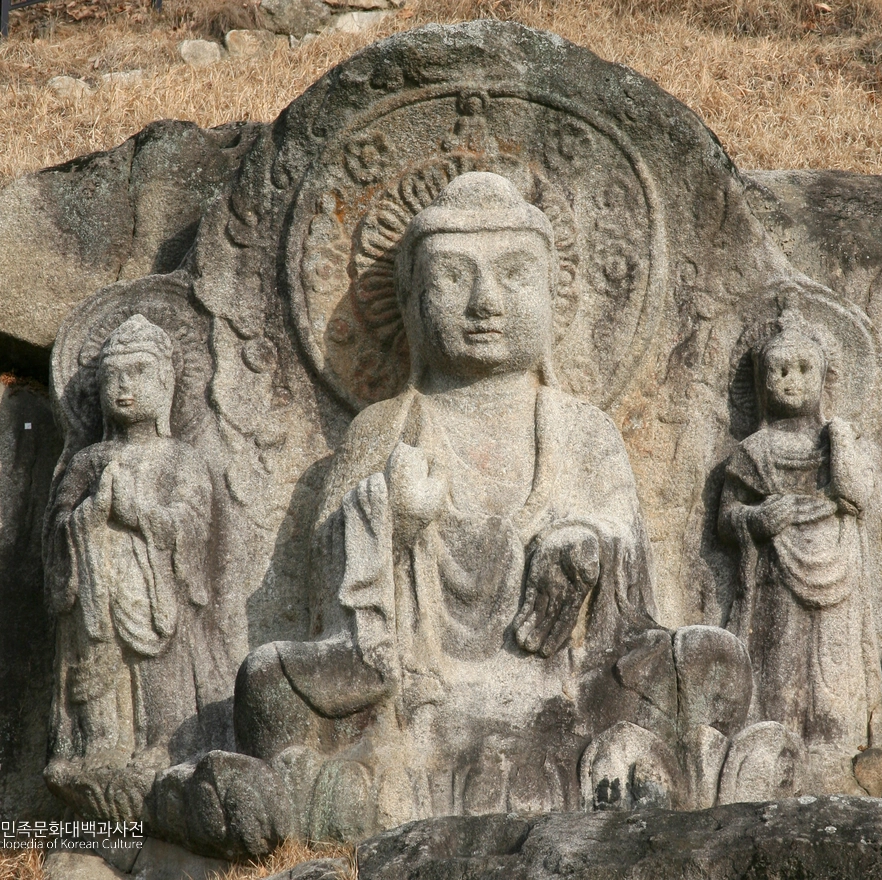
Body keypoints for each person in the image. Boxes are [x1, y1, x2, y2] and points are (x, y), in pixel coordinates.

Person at [230, 172, 673, 838]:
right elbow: (327, 598)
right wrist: (389, 520)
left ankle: (334, 796)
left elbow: (633, 596)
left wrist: (588, 546)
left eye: (515, 276)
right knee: (268, 677)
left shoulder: (584, 430)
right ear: (408, 302)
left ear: (555, 297)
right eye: (453, 279)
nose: (485, 302)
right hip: (417, 702)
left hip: (562, 698)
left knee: (699, 660)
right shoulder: (381, 429)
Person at [719, 306, 882, 796]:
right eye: (778, 370)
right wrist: (756, 520)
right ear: (760, 383)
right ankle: (768, 757)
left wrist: (840, 438)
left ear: (825, 377)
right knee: (777, 664)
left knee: (834, 671)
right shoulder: (753, 451)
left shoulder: (841, 443)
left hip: (838, 575)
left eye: (803, 370)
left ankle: (842, 761)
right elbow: (727, 516)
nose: (790, 382)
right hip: (773, 581)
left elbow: (857, 496)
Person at [44, 314, 223, 820]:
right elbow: (55, 530)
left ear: (166, 383)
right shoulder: (87, 460)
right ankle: (94, 749)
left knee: (160, 681)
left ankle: (165, 747)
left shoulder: (180, 460)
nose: (123, 387)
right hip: (95, 598)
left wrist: (136, 514)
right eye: (111, 377)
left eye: (139, 373)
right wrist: (85, 519)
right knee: (95, 677)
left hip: (155, 598)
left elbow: (192, 528)